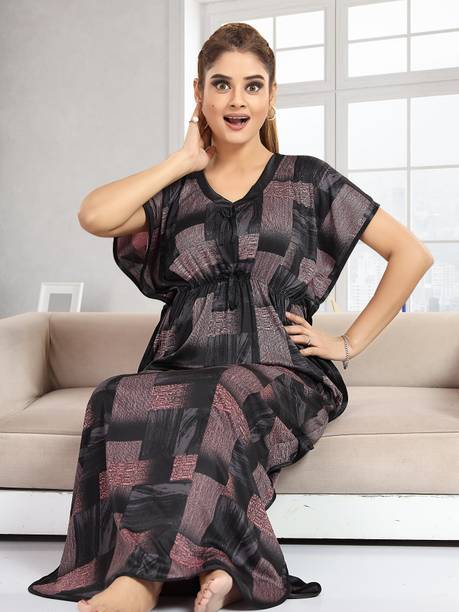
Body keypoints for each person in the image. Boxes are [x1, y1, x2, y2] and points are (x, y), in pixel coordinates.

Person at [28, 22, 434, 612]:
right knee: (117, 393)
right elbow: (95, 215)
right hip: (184, 362)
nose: (237, 100)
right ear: (200, 94)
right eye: (221, 85)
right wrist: (180, 161)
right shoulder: (178, 192)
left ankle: (142, 581)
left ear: (272, 96)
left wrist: (348, 343)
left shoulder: (308, 180)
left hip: (278, 368)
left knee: (220, 396)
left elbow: (411, 254)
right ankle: (222, 567)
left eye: (252, 85)